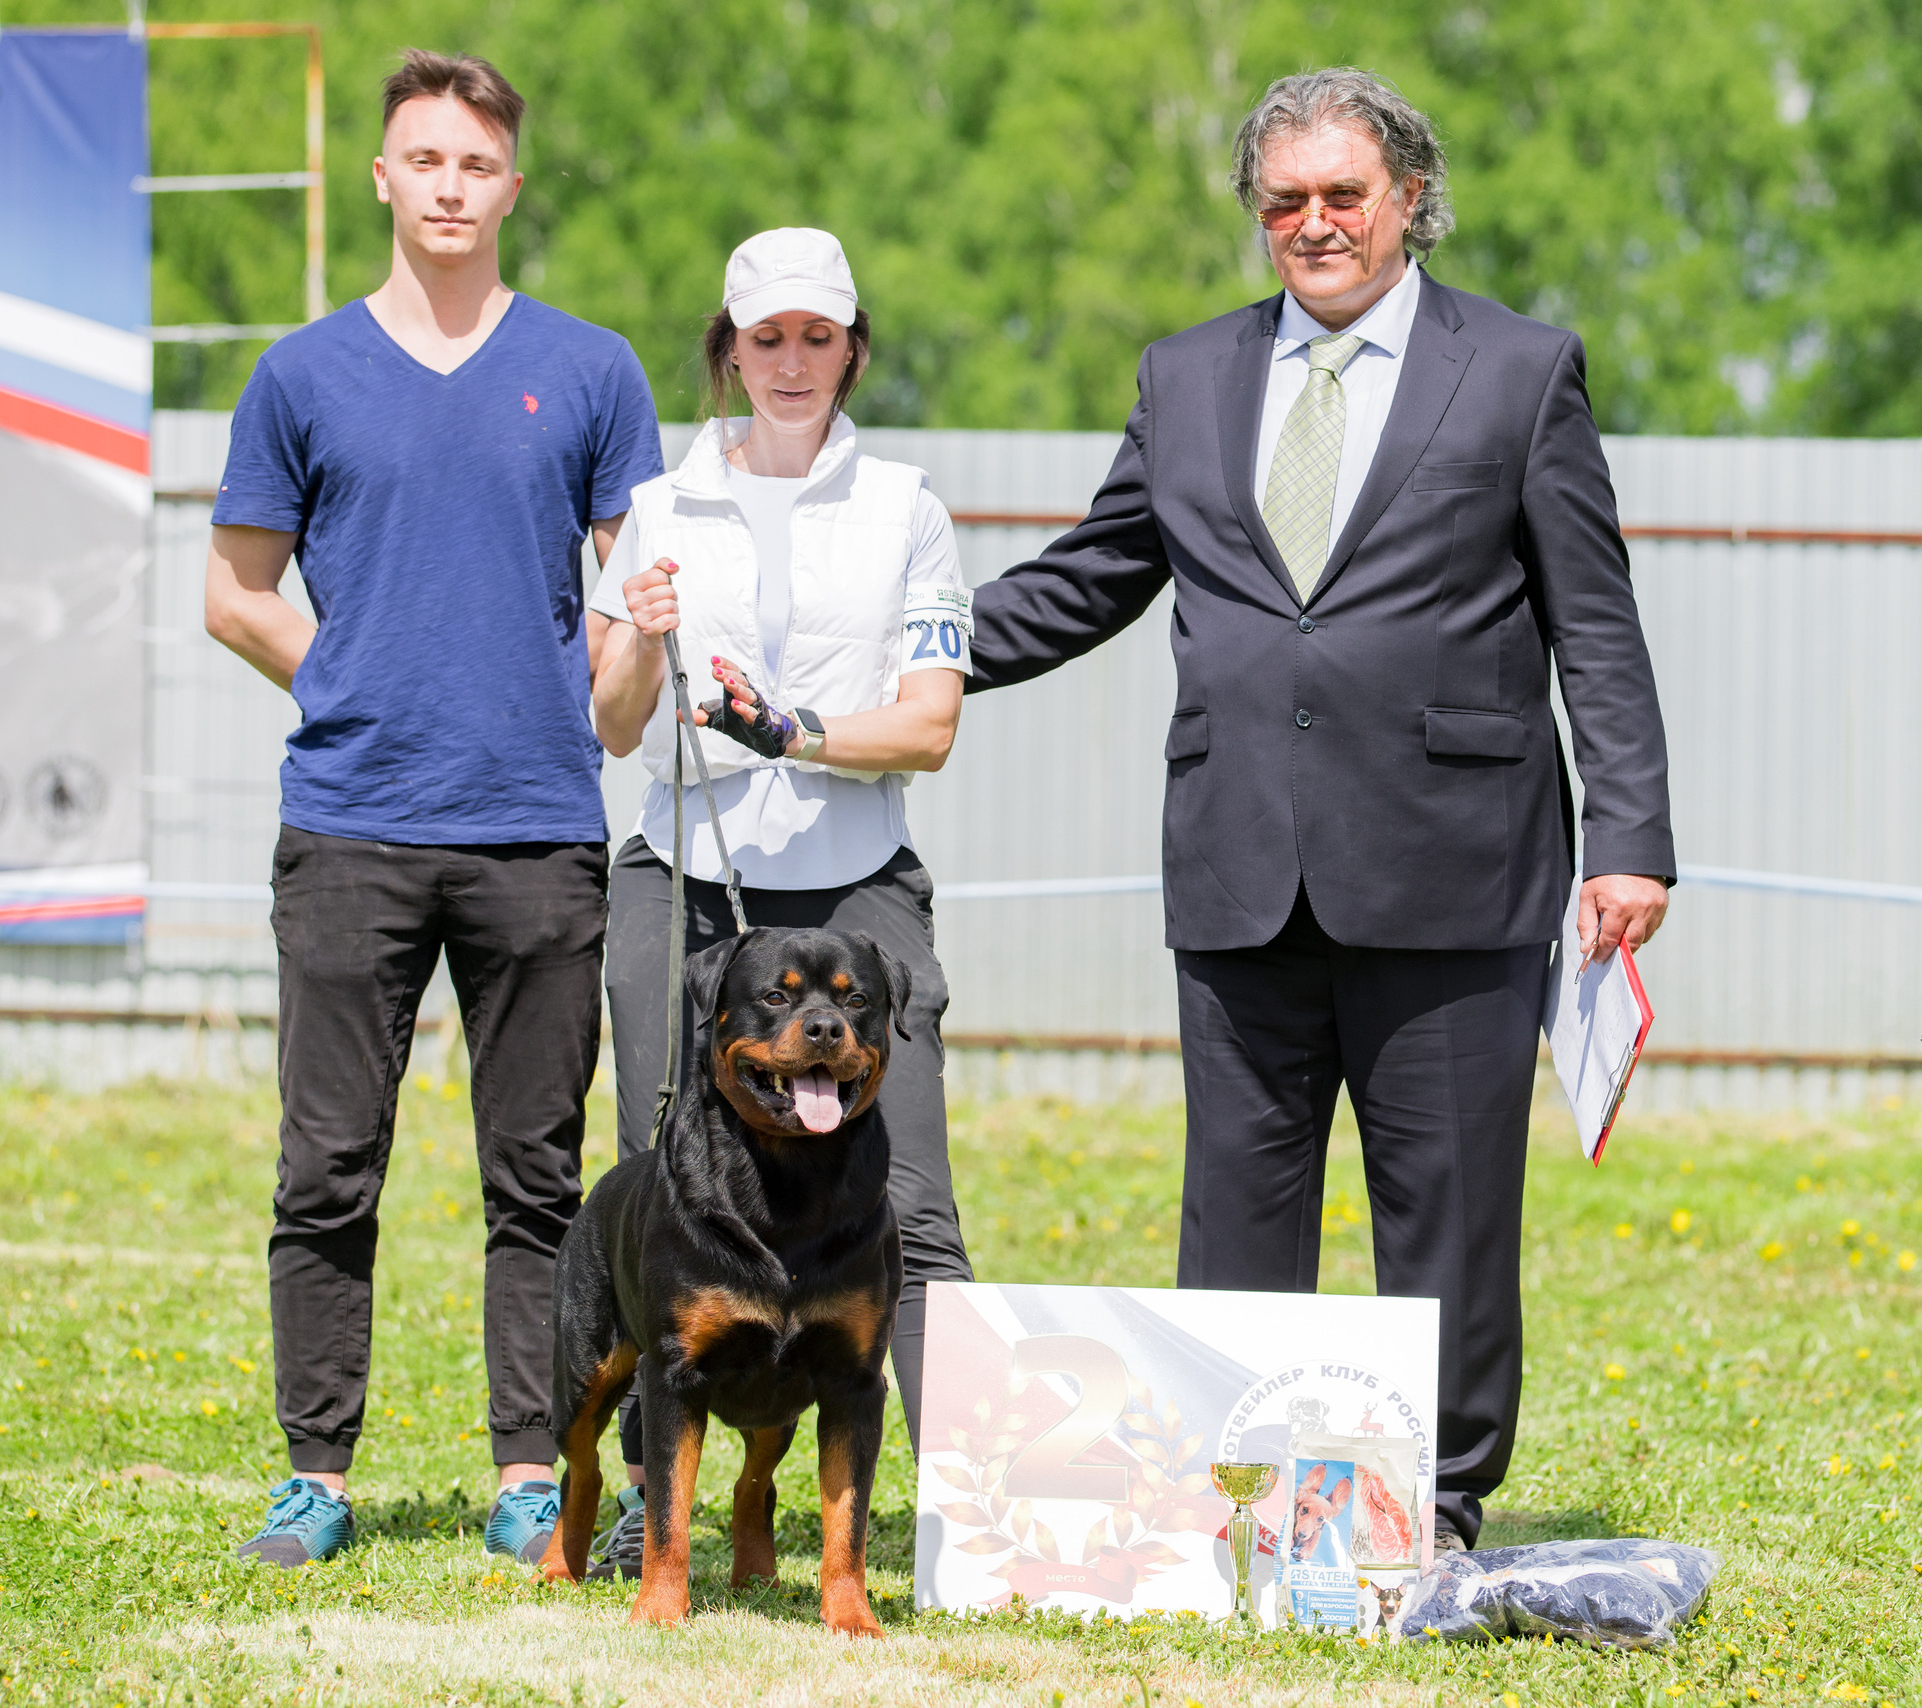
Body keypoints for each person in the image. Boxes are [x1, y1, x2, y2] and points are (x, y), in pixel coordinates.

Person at [963, 69, 1676, 1553]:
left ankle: (1443, 1501)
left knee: (1451, 1219)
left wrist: (1631, 839)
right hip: (1237, 868)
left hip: (1456, 866)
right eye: (1283, 201)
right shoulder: (1187, 376)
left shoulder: (1524, 372)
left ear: (1410, 197)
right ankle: (1230, 1505)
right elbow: (1091, 579)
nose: (1314, 224)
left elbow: (1593, 622)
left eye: (1343, 195)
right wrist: (902, 646)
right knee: (1234, 1216)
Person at [202, 50, 663, 1569]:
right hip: (349, 828)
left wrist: (626, 659)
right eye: (426, 160)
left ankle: (532, 1470)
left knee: (534, 1176)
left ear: (508, 188)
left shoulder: (594, 373)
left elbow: (626, 623)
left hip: (539, 830)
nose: (451, 187)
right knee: (326, 1167)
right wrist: (356, 681)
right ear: (386, 177)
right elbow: (233, 591)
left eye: (477, 165)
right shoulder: (304, 373)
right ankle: (314, 1477)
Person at [578, 227, 977, 1578]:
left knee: (911, 1201)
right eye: (767, 339)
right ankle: (654, 1497)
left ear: (853, 347)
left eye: (819, 337)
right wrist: (634, 631)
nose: (793, 362)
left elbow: (928, 728)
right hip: (683, 886)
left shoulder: (909, 504)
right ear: (730, 349)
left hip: (858, 889)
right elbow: (619, 722)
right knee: (666, 1188)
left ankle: (970, 1516)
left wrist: (793, 731)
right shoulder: (658, 502)